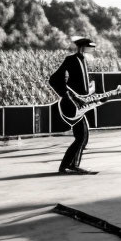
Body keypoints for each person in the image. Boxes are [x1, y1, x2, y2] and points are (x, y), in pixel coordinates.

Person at [49, 36, 98, 175]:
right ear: (82, 47)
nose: (92, 49)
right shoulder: (71, 60)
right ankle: (69, 165)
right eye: (90, 46)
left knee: (83, 136)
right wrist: (73, 96)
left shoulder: (82, 60)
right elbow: (54, 80)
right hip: (70, 104)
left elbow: (77, 84)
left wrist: (89, 89)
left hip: (78, 104)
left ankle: (69, 165)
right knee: (81, 136)